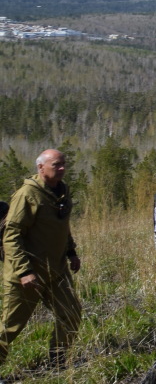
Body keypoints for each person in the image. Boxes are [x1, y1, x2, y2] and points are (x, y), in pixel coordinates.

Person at [0, 149, 82, 371]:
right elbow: (12, 235)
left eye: (64, 164)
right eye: (56, 165)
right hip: (26, 274)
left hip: (56, 270)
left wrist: (71, 252)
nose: (62, 168)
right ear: (41, 167)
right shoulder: (27, 195)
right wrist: (24, 271)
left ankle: (57, 363)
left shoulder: (61, 192)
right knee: (9, 327)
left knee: (71, 314)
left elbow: (62, 226)